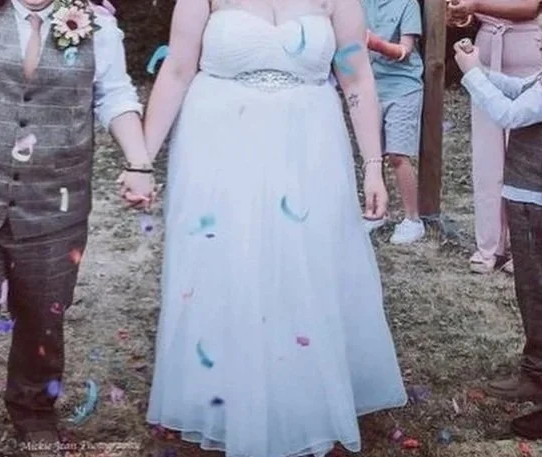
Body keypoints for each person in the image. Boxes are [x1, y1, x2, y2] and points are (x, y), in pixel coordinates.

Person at [143, 0, 407, 456]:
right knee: (227, 267)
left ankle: (301, 393)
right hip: (221, 142)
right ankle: (225, 397)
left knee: (305, 267)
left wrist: (371, 165)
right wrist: (140, 161)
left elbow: (357, 75)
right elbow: (177, 71)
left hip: (309, 144)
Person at [0, 0, 153, 455]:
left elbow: (114, 94)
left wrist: (139, 162)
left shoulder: (99, 24)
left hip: (55, 206)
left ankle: (34, 409)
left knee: (42, 317)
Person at [455, 20, 542, 439]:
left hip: (536, 202)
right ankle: (536, 372)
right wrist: (481, 71)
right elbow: (519, 90)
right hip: (528, 198)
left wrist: (472, 76)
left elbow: (510, 113)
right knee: (530, 291)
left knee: (538, 292)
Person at [448, 0, 542, 274]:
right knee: (486, 159)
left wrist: (475, 4)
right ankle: (489, 244)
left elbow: (529, 6)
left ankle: (522, 246)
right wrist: (464, 13)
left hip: (526, 53)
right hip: (488, 48)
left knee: (524, 158)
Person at [360, 0, 425, 244]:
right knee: (371, 154)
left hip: (402, 87)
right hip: (370, 87)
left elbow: (404, 50)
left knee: (398, 155)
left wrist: (375, 44)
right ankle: (376, 212)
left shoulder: (407, 4)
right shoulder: (360, 4)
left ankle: (413, 219)